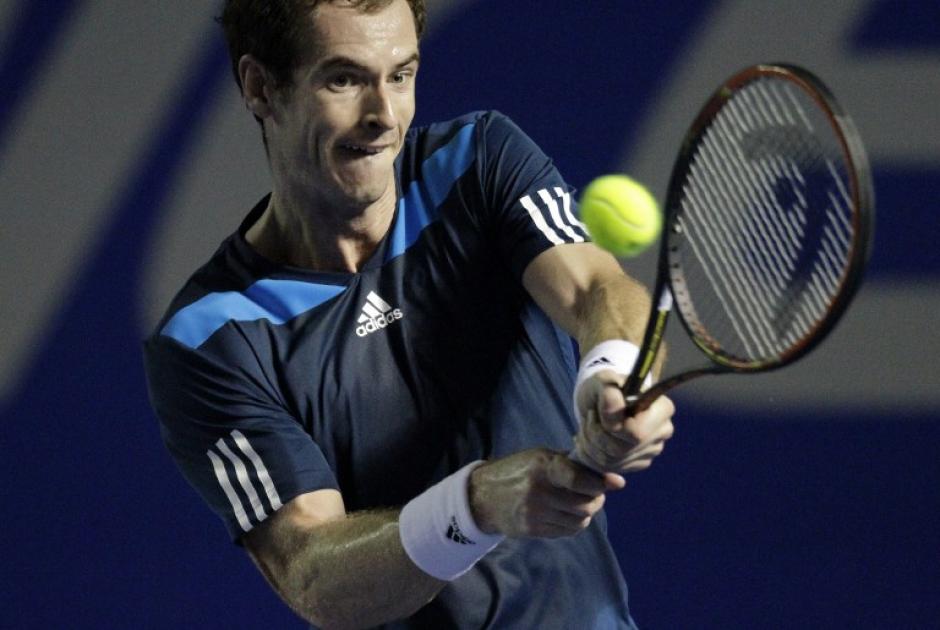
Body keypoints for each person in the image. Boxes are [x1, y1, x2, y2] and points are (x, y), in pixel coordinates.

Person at [143, 0, 676, 627]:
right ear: (261, 87)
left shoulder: (476, 162)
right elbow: (314, 575)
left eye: (401, 75)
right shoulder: (213, 337)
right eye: (344, 79)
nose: (383, 116)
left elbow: (595, 289)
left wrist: (611, 372)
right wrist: (474, 505)